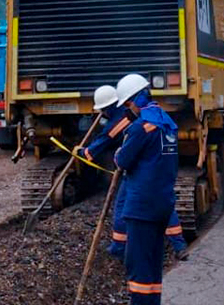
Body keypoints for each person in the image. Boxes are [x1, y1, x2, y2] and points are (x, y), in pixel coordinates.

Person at [76, 86, 188, 261]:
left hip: (140, 173)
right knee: (165, 206)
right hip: (162, 171)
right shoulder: (162, 118)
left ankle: (120, 248)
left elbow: (115, 148)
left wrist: (86, 153)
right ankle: (179, 246)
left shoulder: (135, 124)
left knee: (124, 208)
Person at [113, 74, 178, 305]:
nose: (129, 110)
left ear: (136, 99)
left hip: (141, 209)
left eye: (128, 104)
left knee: (138, 267)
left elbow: (123, 161)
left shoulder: (140, 129)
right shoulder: (167, 124)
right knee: (152, 267)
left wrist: (118, 153)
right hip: (162, 206)